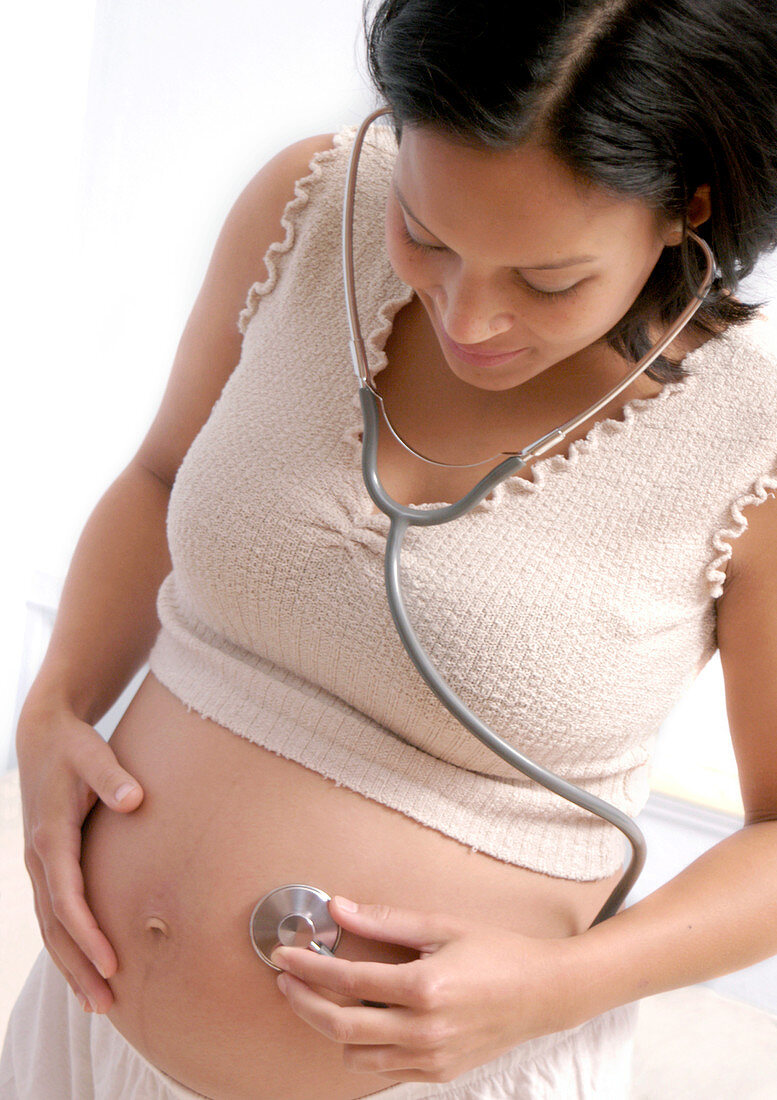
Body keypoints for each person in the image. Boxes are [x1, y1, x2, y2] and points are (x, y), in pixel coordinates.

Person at [3, 0, 777, 1097]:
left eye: (547, 281)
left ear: (685, 208)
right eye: (429, 231)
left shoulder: (753, 444)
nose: (467, 314)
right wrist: (55, 705)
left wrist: (559, 986)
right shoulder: (312, 205)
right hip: (92, 1038)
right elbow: (160, 477)